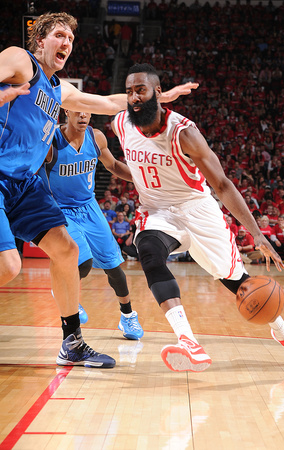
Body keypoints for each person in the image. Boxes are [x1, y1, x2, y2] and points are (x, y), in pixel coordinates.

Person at [0, 13, 197, 368]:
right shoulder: (19, 60)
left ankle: (72, 342)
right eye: (59, 35)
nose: (66, 43)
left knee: (66, 249)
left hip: (25, 183)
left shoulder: (60, 90)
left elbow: (107, 103)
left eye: (71, 39)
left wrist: (156, 96)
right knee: (9, 265)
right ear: (40, 40)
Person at [112, 63, 284, 372]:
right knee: (149, 252)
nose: (133, 97)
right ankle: (188, 342)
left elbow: (222, 184)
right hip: (157, 212)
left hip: (197, 209)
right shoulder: (120, 124)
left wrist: (256, 233)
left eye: (140, 90)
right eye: (129, 92)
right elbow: (82, 102)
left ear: (157, 93)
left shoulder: (184, 132)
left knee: (236, 279)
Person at [40, 109, 144, 340]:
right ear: (67, 111)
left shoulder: (96, 137)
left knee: (115, 268)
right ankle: (66, 296)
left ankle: (127, 317)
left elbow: (114, 166)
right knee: (82, 262)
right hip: (61, 209)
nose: (83, 116)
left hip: (89, 206)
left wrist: (142, 181)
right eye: (78, 111)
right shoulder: (51, 141)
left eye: (87, 111)